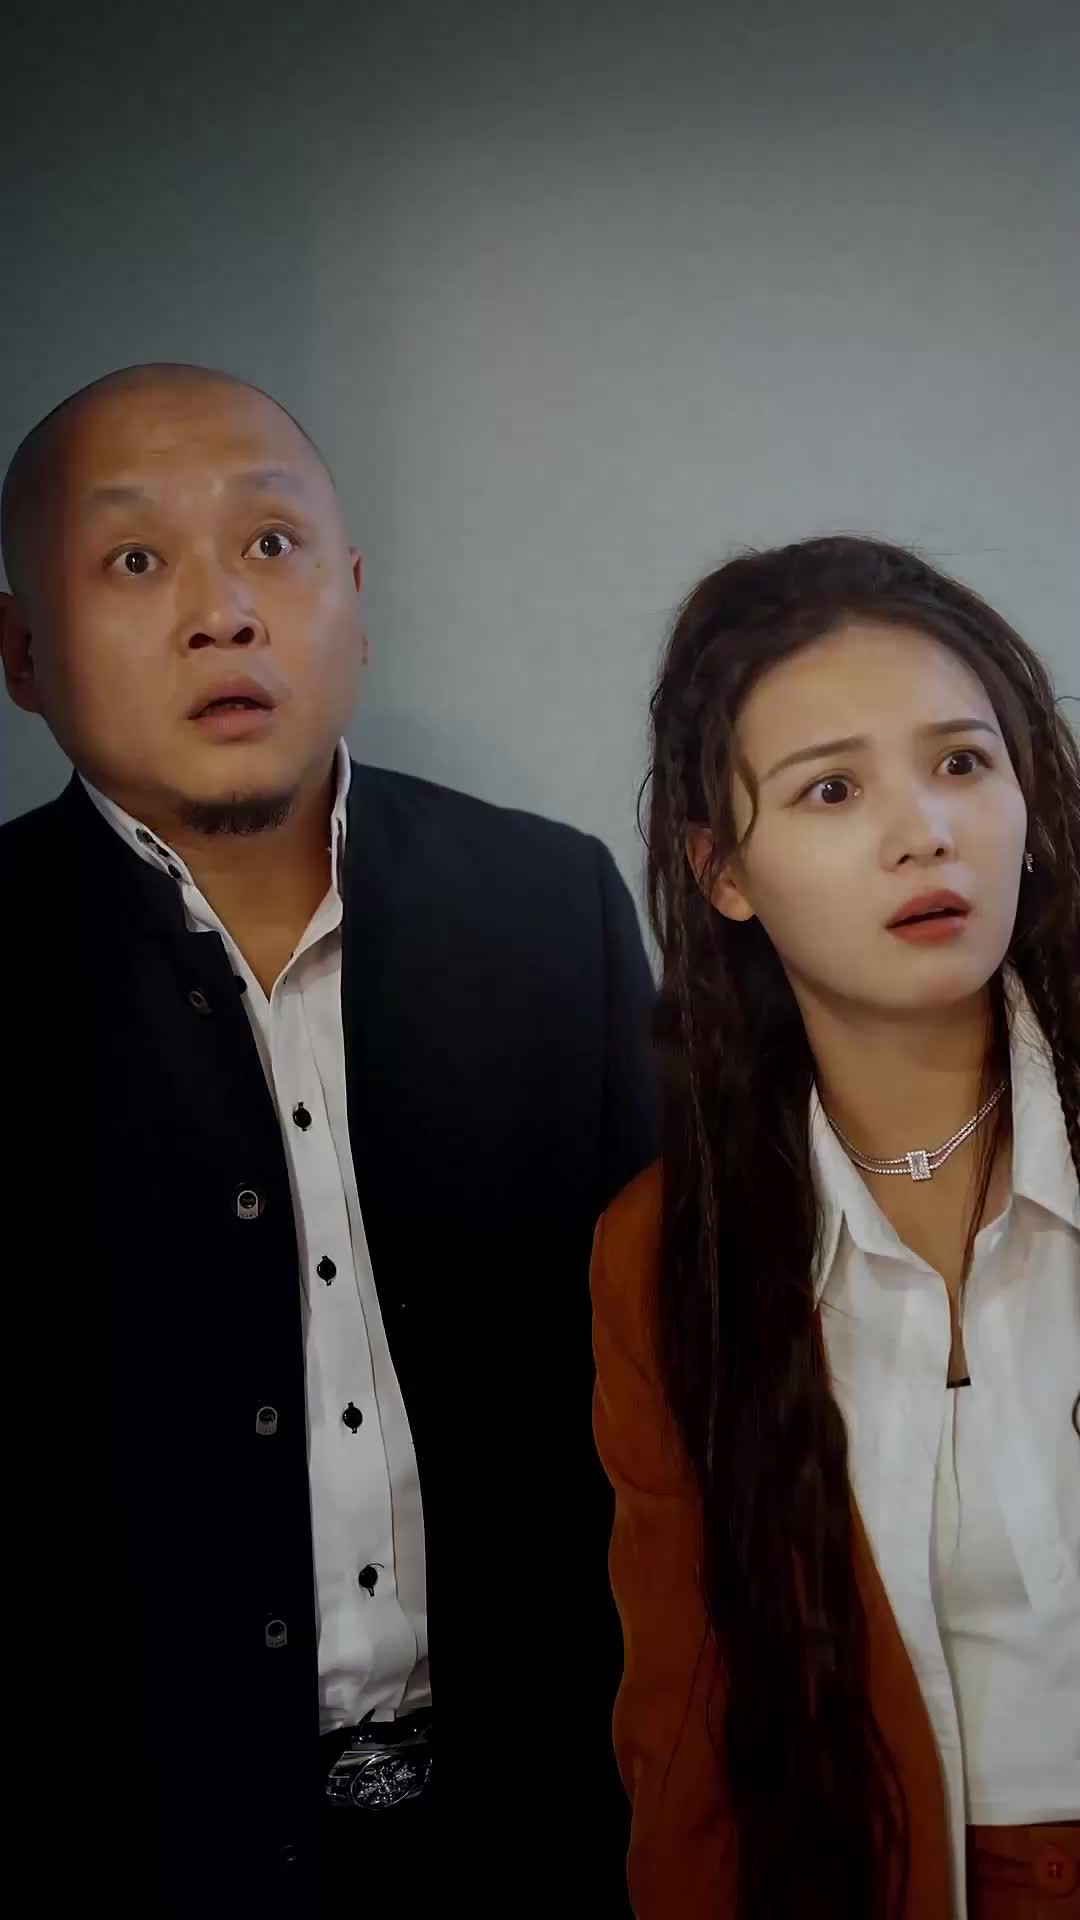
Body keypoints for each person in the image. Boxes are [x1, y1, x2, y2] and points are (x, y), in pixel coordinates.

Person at [0, 362, 657, 1918]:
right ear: (22, 652)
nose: (222, 612)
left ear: (355, 596)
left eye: (272, 545)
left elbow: (665, 1375)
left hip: (548, 1829)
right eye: (134, 559)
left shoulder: (549, 905)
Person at [591, 536, 1079, 1920]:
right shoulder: (667, 1254)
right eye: (833, 788)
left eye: (963, 762)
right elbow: (686, 1741)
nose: (923, 831)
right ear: (722, 870)